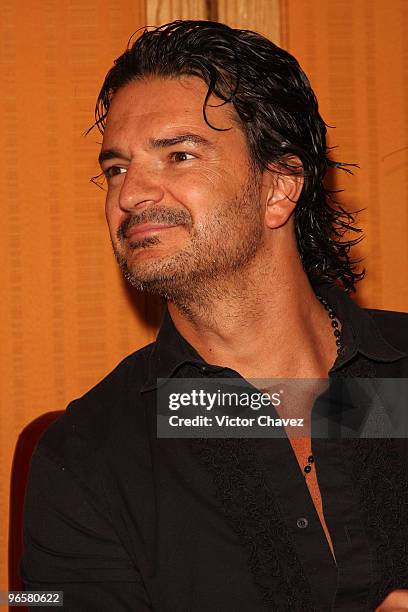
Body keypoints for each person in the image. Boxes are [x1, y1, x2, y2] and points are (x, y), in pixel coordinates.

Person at [20, 20, 408, 612]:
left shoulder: (397, 376)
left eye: (178, 155)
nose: (129, 195)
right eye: (117, 168)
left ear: (279, 186)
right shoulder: (85, 457)